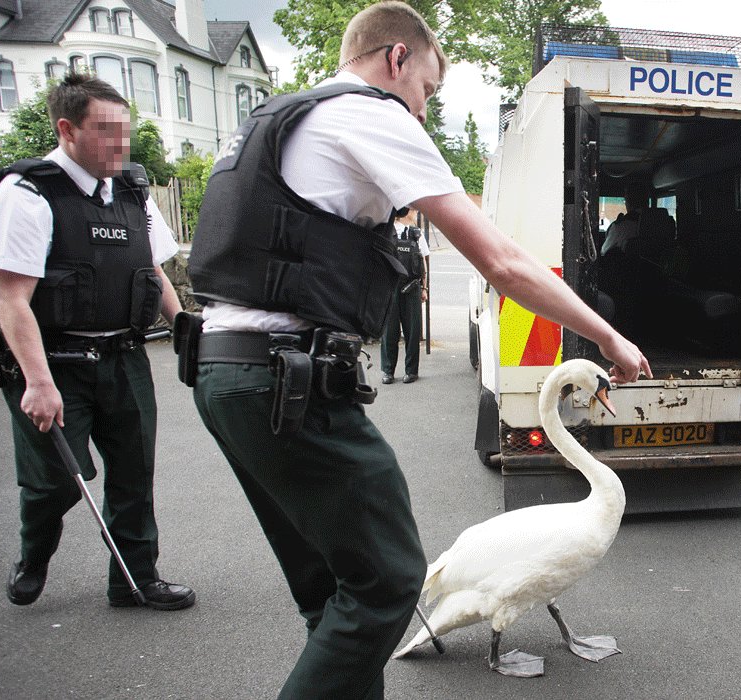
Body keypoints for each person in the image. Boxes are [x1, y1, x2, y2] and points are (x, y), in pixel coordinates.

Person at [184, 4, 650, 699]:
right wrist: (608, 335)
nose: (425, 112)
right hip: (290, 382)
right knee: (390, 584)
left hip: (227, 373)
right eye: (429, 89)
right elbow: (502, 263)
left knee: (335, 595)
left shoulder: (276, 120)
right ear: (396, 59)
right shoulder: (373, 112)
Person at [0, 73, 193, 610]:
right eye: (106, 132)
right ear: (67, 129)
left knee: (133, 476)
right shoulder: (28, 193)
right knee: (55, 481)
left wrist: (187, 327)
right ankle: (34, 555)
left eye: (126, 131)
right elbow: (10, 298)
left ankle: (135, 579)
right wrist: (38, 383)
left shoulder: (132, 190)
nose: (121, 145)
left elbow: (152, 269)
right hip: (55, 363)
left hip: (123, 357)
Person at [380, 221, 428, 384]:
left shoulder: (415, 233)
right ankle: (388, 371)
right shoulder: (385, 231)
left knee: (412, 331)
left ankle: (410, 371)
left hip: (411, 286)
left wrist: (423, 288)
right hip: (390, 287)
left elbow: (422, 262)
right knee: (390, 331)